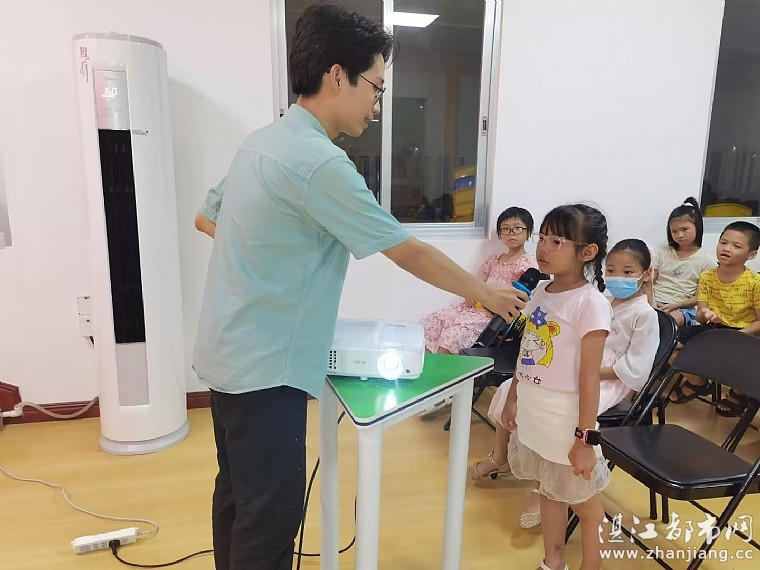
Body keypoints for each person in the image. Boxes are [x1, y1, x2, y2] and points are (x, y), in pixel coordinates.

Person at [191, 6, 528, 570]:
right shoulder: (319, 162)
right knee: (269, 518)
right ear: (337, 76)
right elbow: (406, 250)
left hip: (225, 353)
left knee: (238, 494)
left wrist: (265, 258)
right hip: (267, 367)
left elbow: (208, 219)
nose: (377, 105)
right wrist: (488, 293)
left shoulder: (263, 140)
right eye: (375, 87)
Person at [469, 238, 659, 533]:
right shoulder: (602, 301)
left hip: (607, 379)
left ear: (645, 274)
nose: (617, 277)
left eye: (627, 271)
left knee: (561, 412)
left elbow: (635, 370)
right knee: (511, 389)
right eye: (611, 270)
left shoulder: (645, 316)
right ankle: (501, 456)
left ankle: (544, 486)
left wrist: (584, 371)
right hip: (573, 367)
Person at [497, 204, 612, 570]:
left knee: (587, 507)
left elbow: (589, 377)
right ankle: (553, 562)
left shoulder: (591, 304)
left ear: (587, 252)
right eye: (542, 238)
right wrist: (512, 399)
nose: (544, 247)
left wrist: (584, 439)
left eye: (557, 241)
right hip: (536, 413)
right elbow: (526, 355)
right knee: (549, 490)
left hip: (566, 420)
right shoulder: (541, 291)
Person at [668, 221, 760, 416]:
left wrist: (736, 335)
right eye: (723, 242)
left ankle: (739, 393)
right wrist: (705, 314)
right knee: (665, 343)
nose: (726, 248)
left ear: (751, 255)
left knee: (748, 358)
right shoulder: (707, 277)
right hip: (713, 329)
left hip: (744, 333)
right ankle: (698, 383)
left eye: (736, 246)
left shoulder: (755, 282)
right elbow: (700, 315)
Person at [422, 206, 537, 354]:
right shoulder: (494, 260)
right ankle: (429, 364)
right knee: (432, 322)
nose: (511, 233)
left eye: (517, 228)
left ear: (528, 232)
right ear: (500, 234)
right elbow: (478, 283)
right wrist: (470, 293)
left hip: (495, 315)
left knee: (452, 337)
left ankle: (445, 365)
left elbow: (523, 297)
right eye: (505, 229)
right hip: (475, 307)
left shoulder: (527, 262)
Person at [651, 197, 715, 326]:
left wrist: (675, 305)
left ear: (697, 227)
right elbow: (649, 281)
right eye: (674, 231)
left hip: (681, 308)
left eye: (684, 229)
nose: (679, 235)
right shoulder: (661, 251)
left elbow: (699, 297)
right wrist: (651, 302)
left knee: (665, 324)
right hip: (653, 300)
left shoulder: (706, 261)